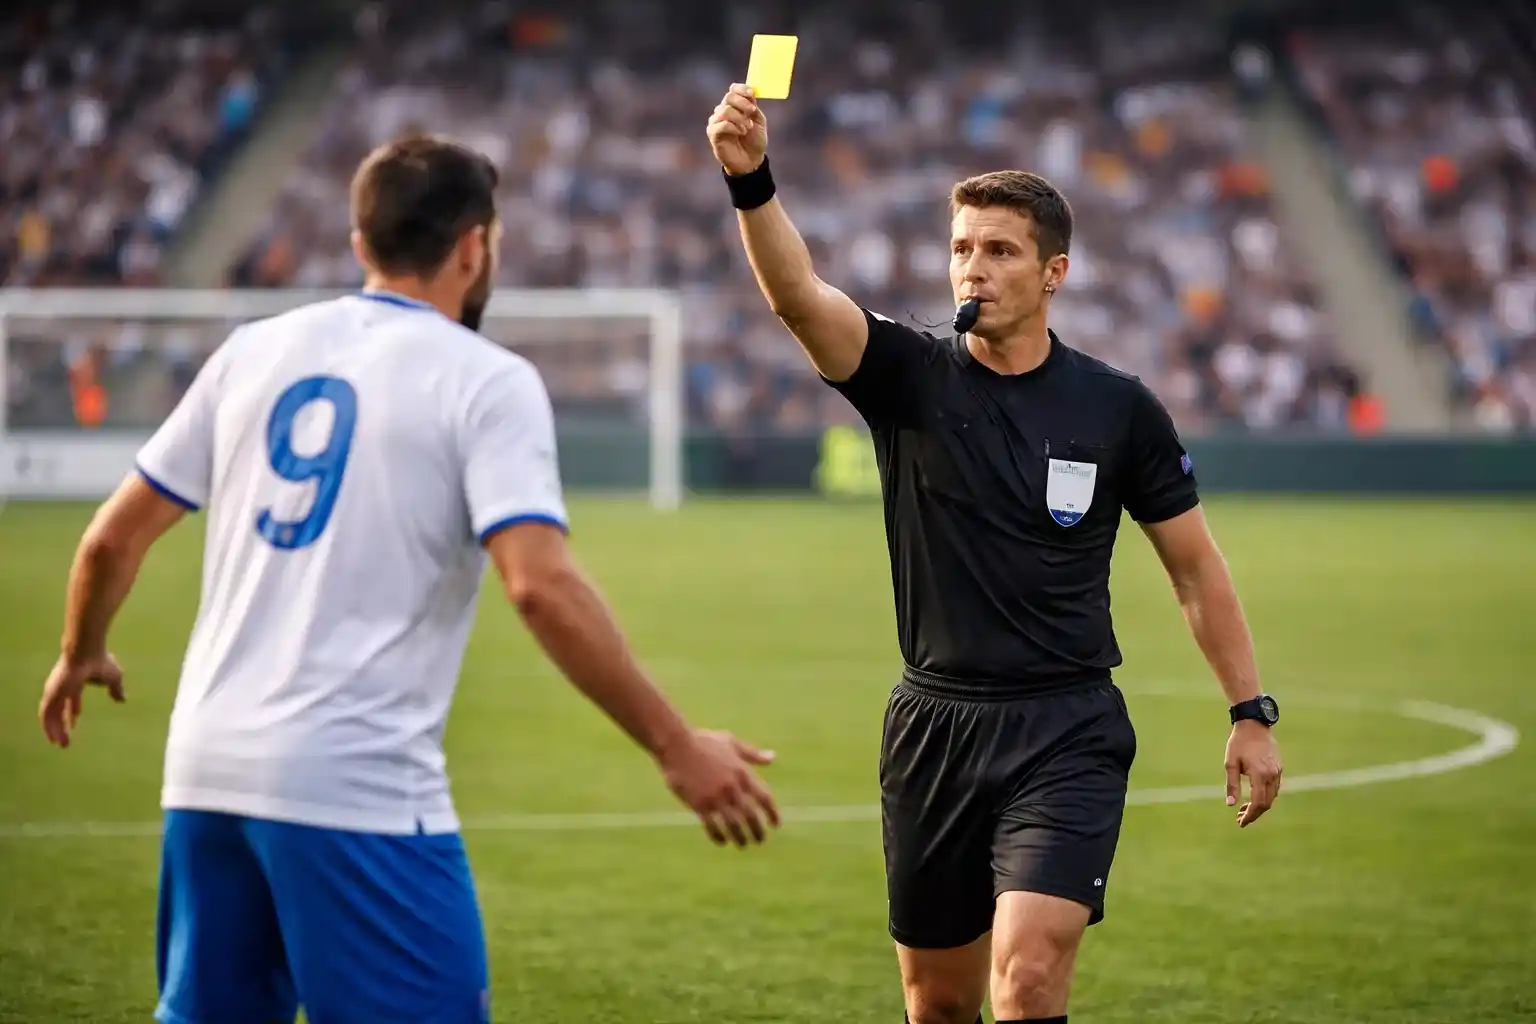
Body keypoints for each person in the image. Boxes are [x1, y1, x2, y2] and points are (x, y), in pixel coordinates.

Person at [36, 135, 780, 1024]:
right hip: (356, 788)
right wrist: (674, 745)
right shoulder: (486, 381)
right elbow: (539, 586)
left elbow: (110, 541)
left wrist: (82, 651)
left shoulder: (253, 351)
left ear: (361, 244)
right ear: (475, 246)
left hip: (204, 774)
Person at [707, 84, 1284, 1023]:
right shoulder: (906, 376)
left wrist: (1249, 709)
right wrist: (750, 179)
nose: (974, 268)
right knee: (938, 1003)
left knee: (1027, 975)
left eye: (1001, 251)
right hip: (933, 726)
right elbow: (796, 299)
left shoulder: (1117, 408)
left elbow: (1192, 566)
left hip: (1067, 727)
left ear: (1054, 271)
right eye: (962, 249)